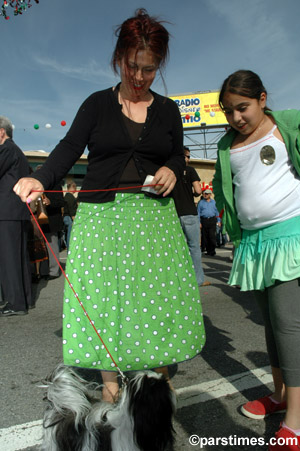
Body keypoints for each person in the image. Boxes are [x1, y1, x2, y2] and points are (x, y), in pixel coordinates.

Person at [14, 9, 206, 403]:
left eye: (149, 70)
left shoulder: (168, 111)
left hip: (153, 216)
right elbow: (68, 148)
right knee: (105, 299)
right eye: (132, 66)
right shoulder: (96, 104)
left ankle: (159, 372)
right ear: (119, 59)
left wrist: (172, 167)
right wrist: (40, 177)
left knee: (159, 295)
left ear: (159, 67)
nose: (138, 77)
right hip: (101, 216)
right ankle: (111, 384)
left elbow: (174, 154)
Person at [213, 69, 300, 451]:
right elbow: (225, 190)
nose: (236, 118)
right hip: (254, 244)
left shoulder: (289, 125)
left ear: (263, 99)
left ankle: (296, 422)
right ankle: (280, 396)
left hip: (291, 236)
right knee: (270, 326)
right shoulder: (225, 145)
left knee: (288, 325)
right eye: (229, 111)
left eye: (243, 108)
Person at [0, 116, 33, 316]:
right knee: (18, 257)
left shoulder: (6, 149)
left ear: (1, 132)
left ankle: (15, 302)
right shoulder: (16, 151)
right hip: (15, 211)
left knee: (9, 258)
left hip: (7, 211)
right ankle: (23, 299)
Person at [172, 146, 211, 287]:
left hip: (174, 214)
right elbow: (198, 190)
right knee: (194, 247)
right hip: (190, 213)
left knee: (178, 248)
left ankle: (180, 279)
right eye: (187, 156)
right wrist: (195, 194)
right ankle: (198, 279)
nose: (187, 159)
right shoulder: (190, 171)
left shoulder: (170, 172)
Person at [39, 181, 64, 280]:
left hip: (51, 222)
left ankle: (54, 271)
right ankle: (43, 271)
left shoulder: (56, 185)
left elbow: (61, 202)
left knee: (51, 246)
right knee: (42, 247)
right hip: (40, 221)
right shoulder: (38, 188)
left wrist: (50, 202)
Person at [197, 188, 220, 256]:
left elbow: (217, 212)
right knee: (205, 236)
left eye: (206, 194)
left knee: (212, 236)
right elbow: (198, 213)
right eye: (204, 193)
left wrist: (219, 221)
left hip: (212, 220)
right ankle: (208, 250)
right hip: (204, 220)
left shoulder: (214, 202)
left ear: (210, 194)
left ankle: (212, 250)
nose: (205, 195)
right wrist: (199, 222)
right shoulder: (201, 203)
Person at [63, 181, 78, 251]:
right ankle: (70, 249)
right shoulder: (70, 197)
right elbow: (71, 209)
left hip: (66, 216)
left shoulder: (66, 196)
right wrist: (74, 218)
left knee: (68, 234)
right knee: (70, 234)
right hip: (69, 217)